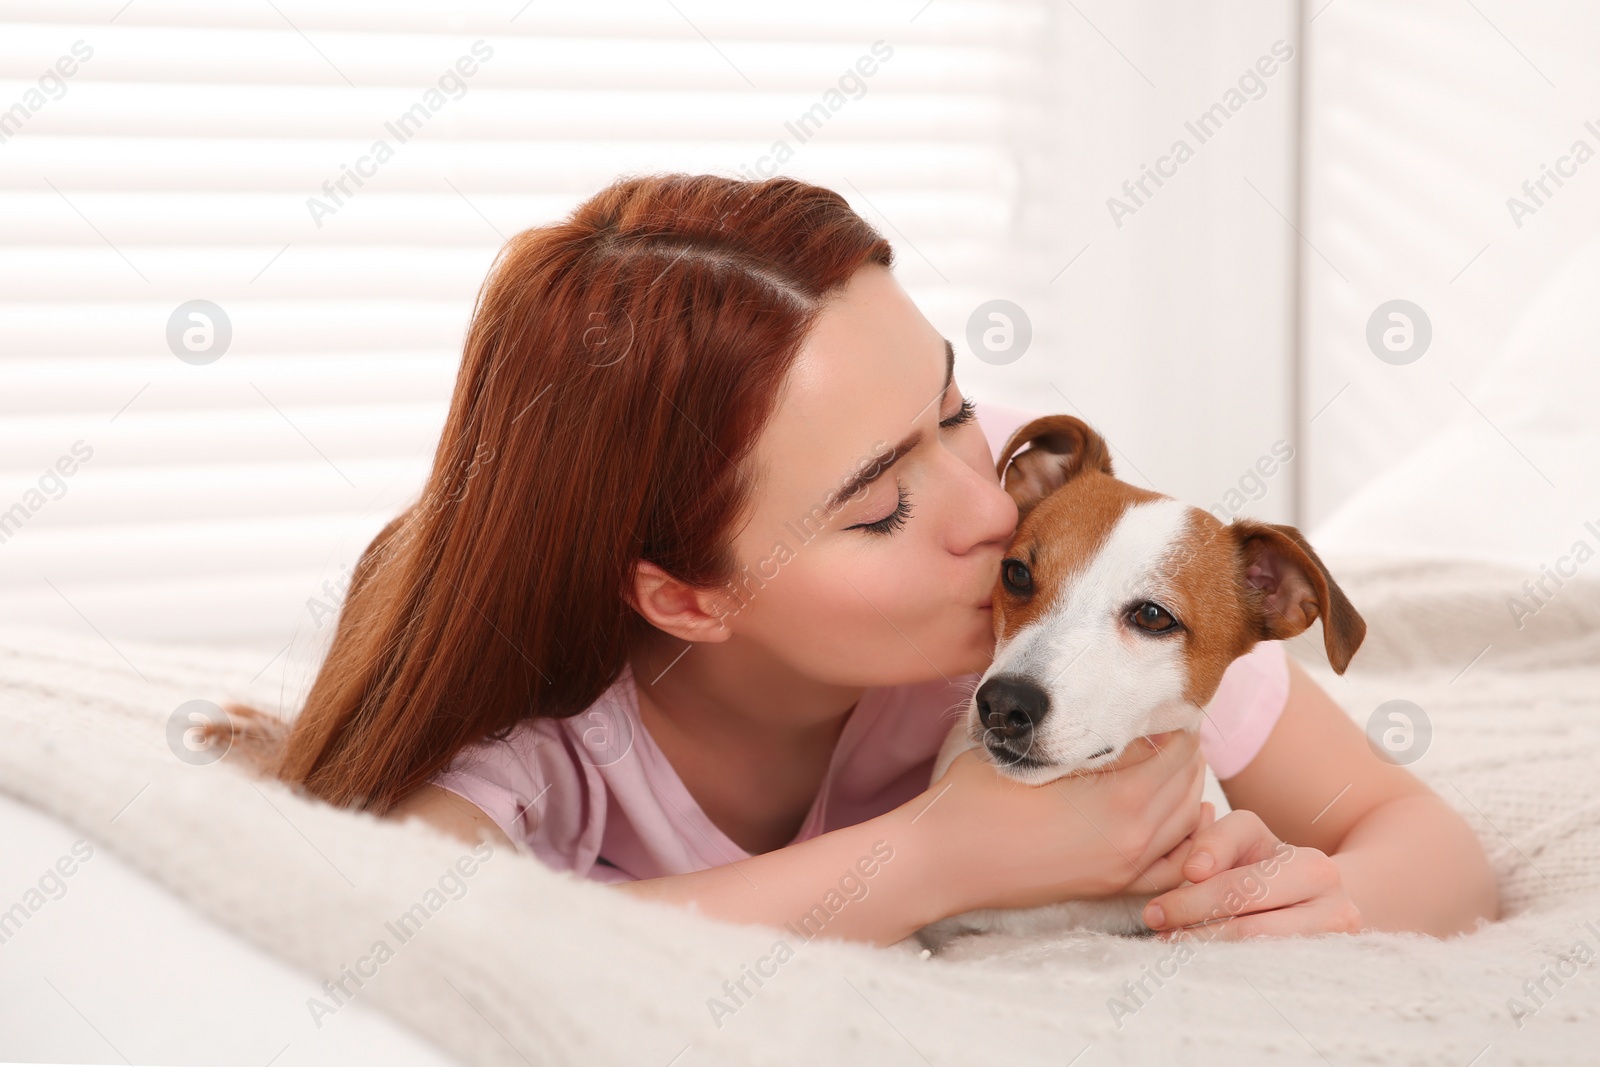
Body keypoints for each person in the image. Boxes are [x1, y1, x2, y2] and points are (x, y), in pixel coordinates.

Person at [227, 173, 1497, 947]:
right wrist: (942, 855)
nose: (984, 513)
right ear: (684, 593)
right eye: (881, 504)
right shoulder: (541, 719)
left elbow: (1415, 837)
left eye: (951, 407)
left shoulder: (1043, 542)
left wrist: (1305, 901)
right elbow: (428, 940)